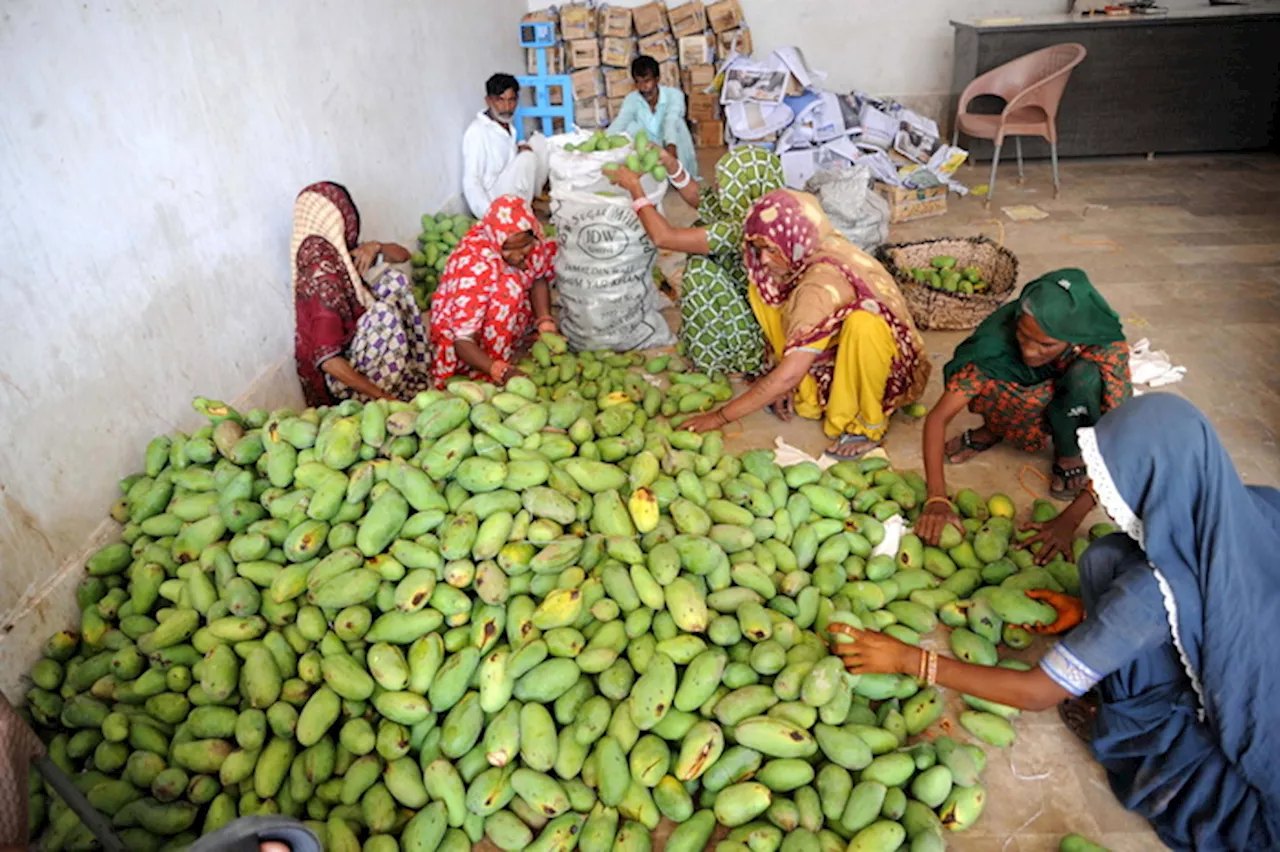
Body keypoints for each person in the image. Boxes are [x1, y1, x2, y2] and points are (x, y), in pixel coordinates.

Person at [830, 394, 1280, 851]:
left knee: (1118, 586)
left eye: (1108, 480)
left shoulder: (1147, 594)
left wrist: (909, 659)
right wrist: (1087, 613)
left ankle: (1144, 731)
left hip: (1249, 774)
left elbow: (1036, 693)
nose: (1098, 492)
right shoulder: (1261, 506)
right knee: (1109, 555)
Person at [680, 189, 930, 457]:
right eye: (760, 248)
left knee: (864, 325)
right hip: (834, 340)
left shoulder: (818, 289)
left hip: (887, 364)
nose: (763, 258)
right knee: (764, 287)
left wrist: (718, 418)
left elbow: (792, 368)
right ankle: (796, 376)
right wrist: (779, 375)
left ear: (794, 242)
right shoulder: (813, 242)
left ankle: (867, 424)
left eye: (771, 250)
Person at [915, 269, 1131, 562]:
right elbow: (938, 418)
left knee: (1087, 378)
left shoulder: (1101, 345)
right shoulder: (996, 341)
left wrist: (1070, 519)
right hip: (1027, 394)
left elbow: (1125, 437)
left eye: (1045, 345)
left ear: (1074, 338)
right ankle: (995, 428)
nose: (1029, 351)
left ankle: (1069, 454)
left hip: (1072, 395)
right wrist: (937, 497)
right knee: (991, 377)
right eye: (1023, 335)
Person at [607, 147, 785, 375]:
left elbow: (664, 237)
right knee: (701, 260)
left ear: (745, 187)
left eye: (726, 182)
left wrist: (635, 189)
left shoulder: (745, 228)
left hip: (752, 325)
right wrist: (672, 165)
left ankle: (727, 356)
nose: (718, 185)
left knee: (700, 273)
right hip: (746, 298)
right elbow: (702, 198)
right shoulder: (757, 209)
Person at [291, 182, 431, 407]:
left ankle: (411, 374)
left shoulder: (338, 253)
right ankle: (376, 397)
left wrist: (375, 247)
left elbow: (402, 255)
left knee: (394, 282)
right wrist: (385, 399)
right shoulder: (320, 275)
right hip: (338, 382)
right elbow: (328, 362)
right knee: (383, 316)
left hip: (356, 343)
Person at [428, 195, 557, 386]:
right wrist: (499, 370)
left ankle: (505, 347)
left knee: (519, 279)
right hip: (462, 336)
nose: (518, 255)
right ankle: (487, 364)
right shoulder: (474, 267)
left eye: (524, 246)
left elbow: (538, 277)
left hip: (494, 320)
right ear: (496, 241)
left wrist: (545, 321)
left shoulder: (531, 240)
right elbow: (462, 339)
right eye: (509, 250)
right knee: (508, 291)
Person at [462, 73, 549, 217]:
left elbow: (502, 155)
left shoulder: (504, 125)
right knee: (527, 158)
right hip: (495, 200)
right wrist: (490, 216)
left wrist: (517, 147)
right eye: (500, 101)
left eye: (511, 100)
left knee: (538, 141)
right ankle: (521, 215)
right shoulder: (477, 132)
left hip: (509, 186)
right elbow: (471, 180)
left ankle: (532, 200)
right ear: (488, 101)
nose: (507, 107)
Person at [608, 56, 699, 180]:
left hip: (674, 148)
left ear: (657, 79)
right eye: (638, 82)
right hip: (650, 153)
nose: (643, 87)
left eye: (647, 81)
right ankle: (647, 171)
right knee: (630, 127)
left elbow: (670, 122)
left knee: (677, 124)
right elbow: (619, 123)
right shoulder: (632, 99)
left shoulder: (674, 95)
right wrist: (598, 143)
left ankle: (680, 170)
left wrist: (670, 152)